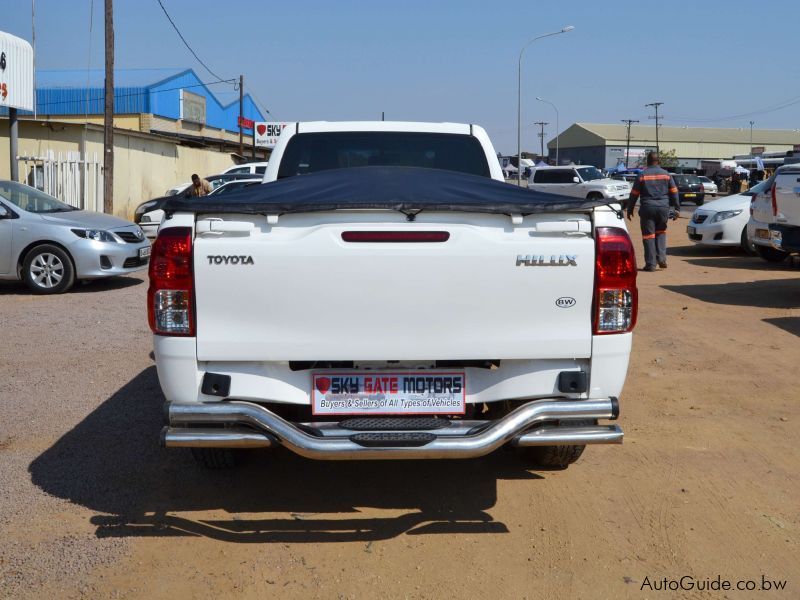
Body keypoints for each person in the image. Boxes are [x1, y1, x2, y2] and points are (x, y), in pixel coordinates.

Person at [626, 152, 679, 272]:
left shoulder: (642, 175)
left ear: (647, 162)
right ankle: (661, 258)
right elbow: (674, 192)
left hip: (647, 208)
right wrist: (677, 209)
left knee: (649, 236)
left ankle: (650, 264)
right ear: (658, 161)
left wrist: (630, 209)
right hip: (663, 208)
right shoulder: (666, 175)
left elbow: (634, 194)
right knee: (661, 232)